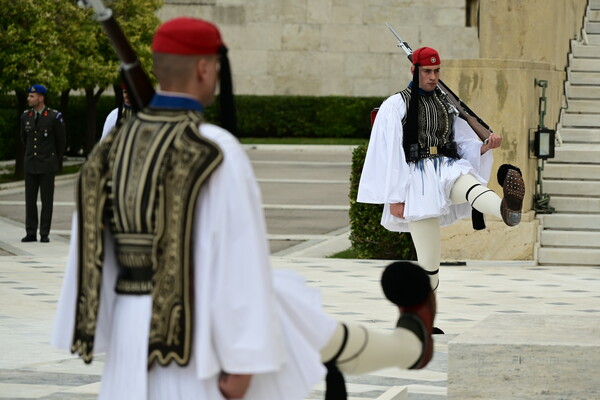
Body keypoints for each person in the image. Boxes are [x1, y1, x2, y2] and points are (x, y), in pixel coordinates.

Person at [52, 18, 437, 400]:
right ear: (205, 68)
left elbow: (88, 257)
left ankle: (408, 345)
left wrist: (104, 332)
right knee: (286, 307)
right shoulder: (211, 149)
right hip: (197, 343)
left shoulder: (107, 151)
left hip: (129, 341)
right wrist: (244, 359)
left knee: (288, 307)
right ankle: (408, 345)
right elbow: (242, 265)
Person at [357, 47, 525, 330]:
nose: (433, 77)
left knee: (470, 185)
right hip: (417, 180)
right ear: (414, 71)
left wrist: (482, 147)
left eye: (437, 72)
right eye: (428, 72)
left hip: (447, 166)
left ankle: (506, 209)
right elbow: (388, 154)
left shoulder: (446, 103)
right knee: (429, 264)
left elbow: (461, 141)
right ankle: (422, 320)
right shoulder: (396, 105)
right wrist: (394, 197)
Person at [20, 84, 66, 243]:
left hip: (47, 165)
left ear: (41, 97)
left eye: (32, 96)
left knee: (47, 201)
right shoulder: (26, 116)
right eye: (28, 96)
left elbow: (61, 142)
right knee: (30, 200)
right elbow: (24, 139)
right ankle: (31, 232)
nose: (28, 99)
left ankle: (44, 233)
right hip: (30, 164)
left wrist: (53, 159)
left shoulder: (54, 116)